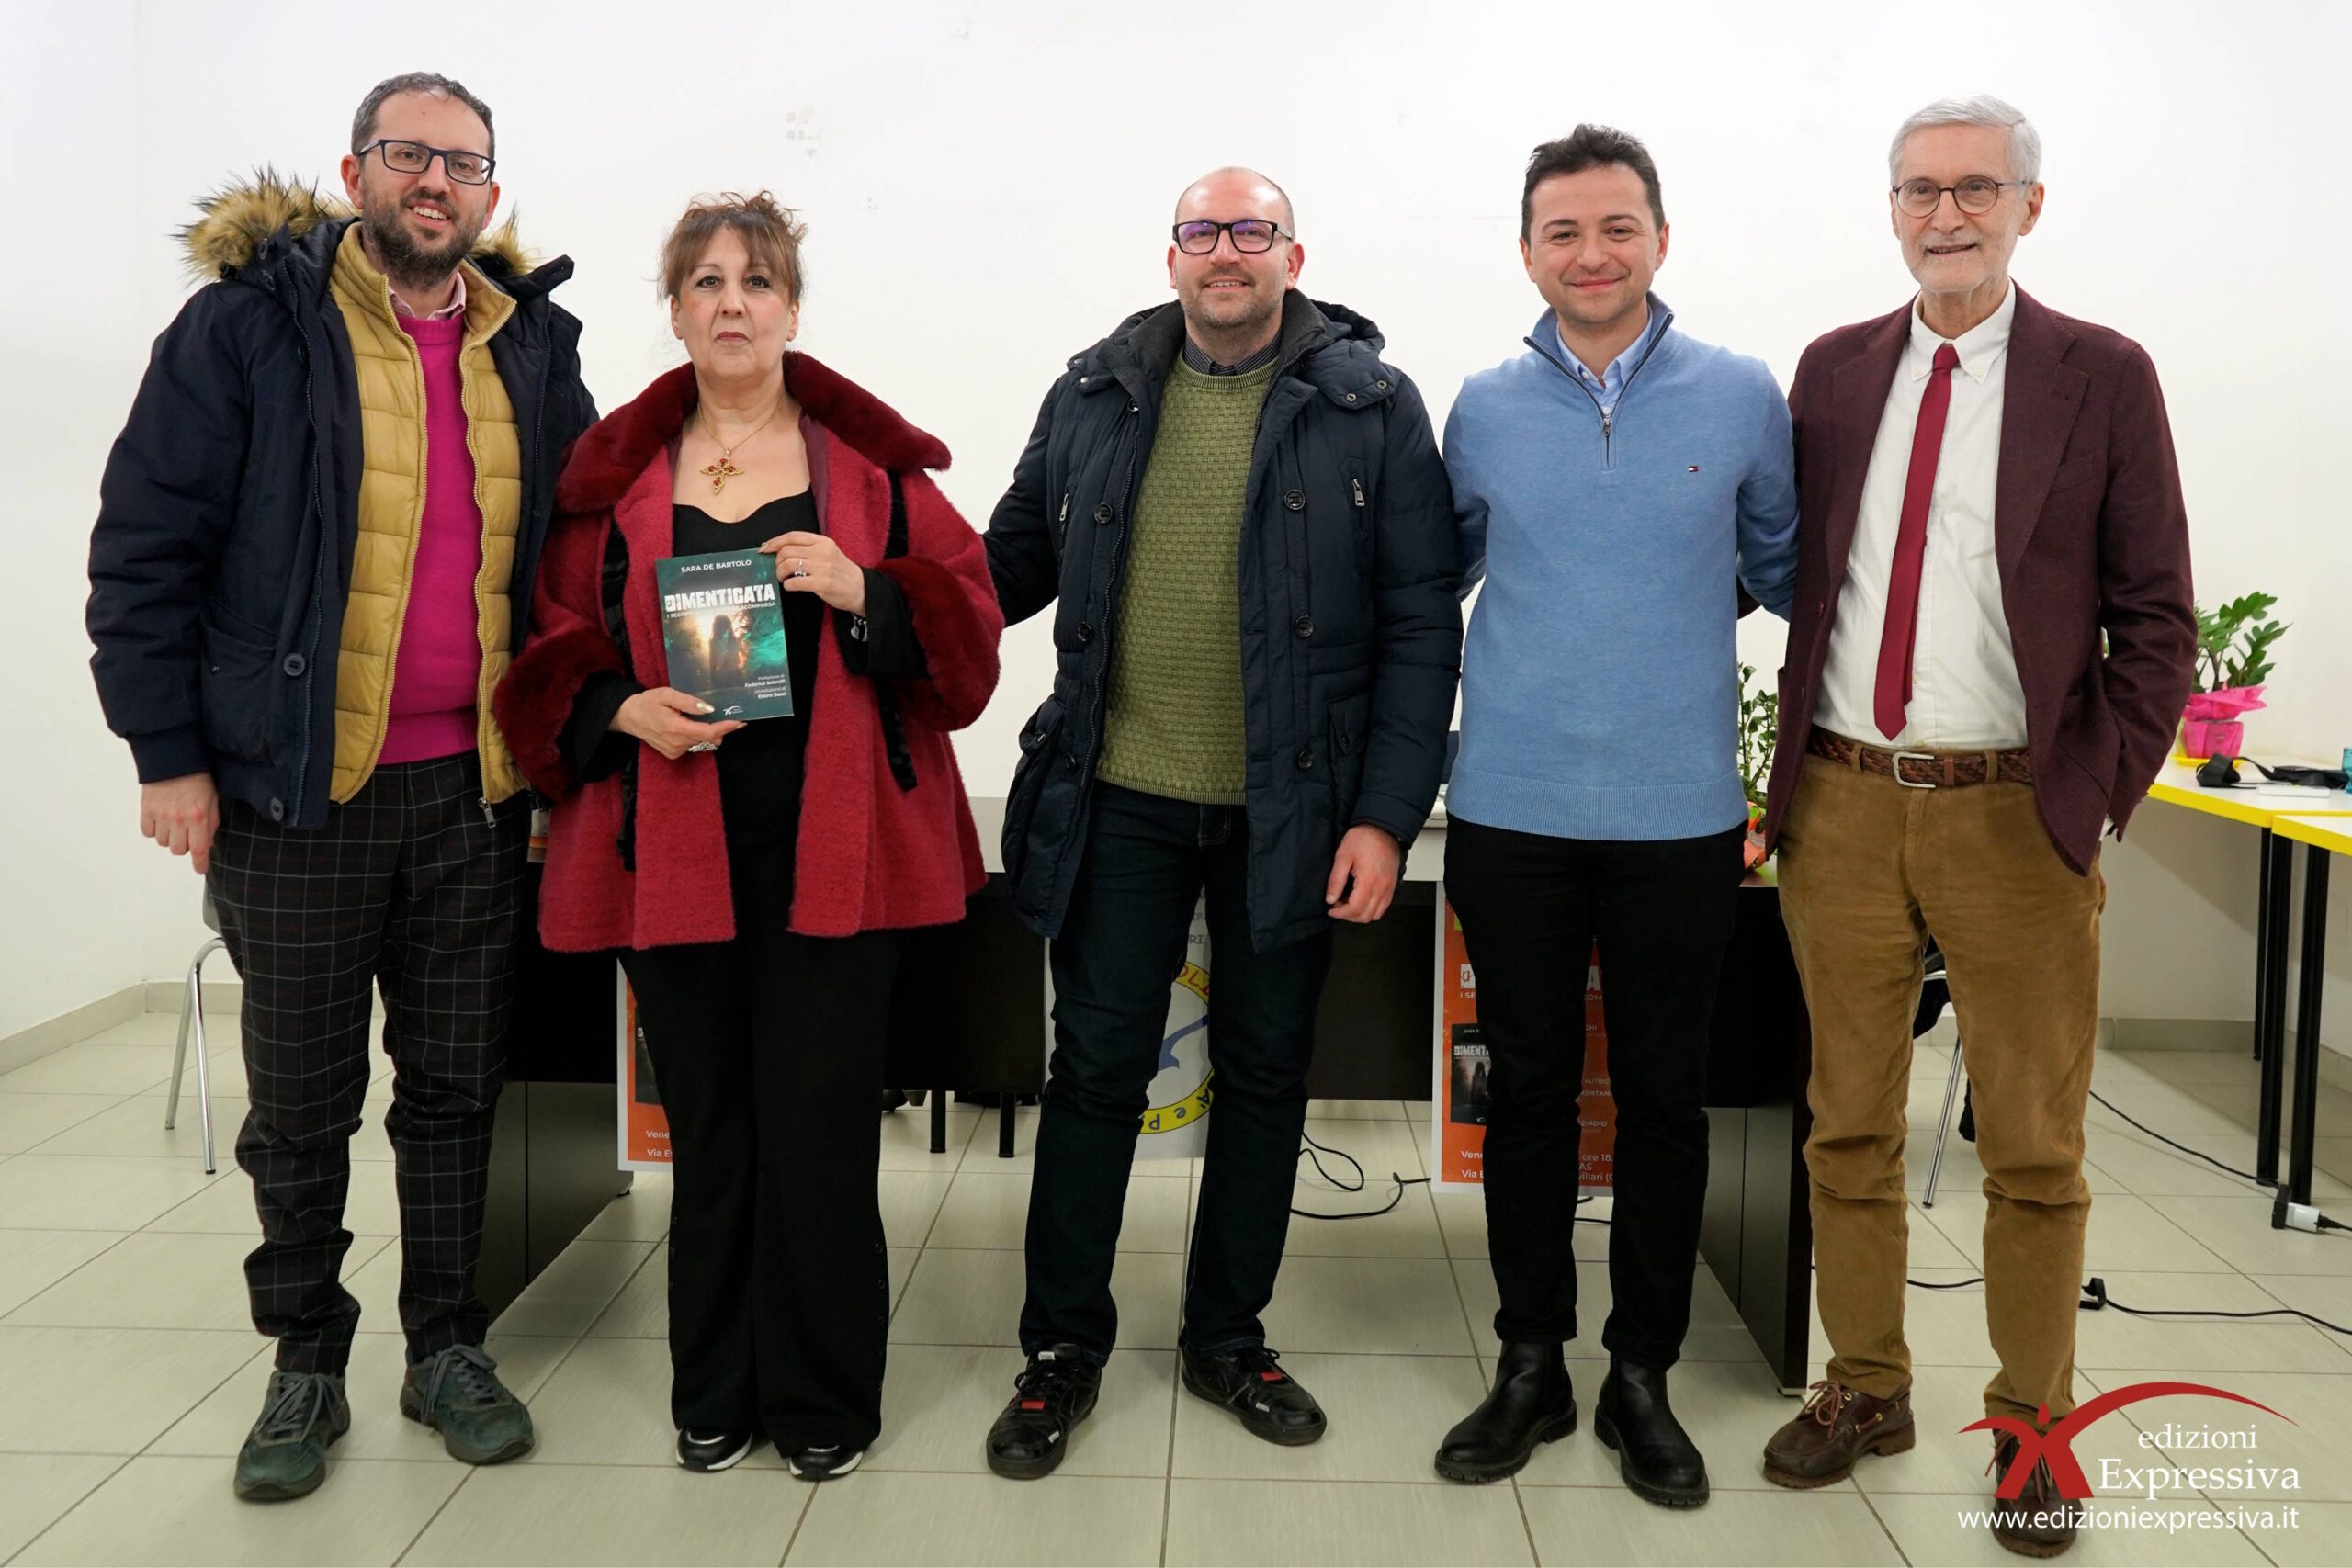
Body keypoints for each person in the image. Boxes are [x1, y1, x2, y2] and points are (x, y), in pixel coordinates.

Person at [86, 72, 596, 1502]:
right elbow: (145, 549)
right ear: (356, 169)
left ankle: (446, 1345)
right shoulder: (249, 327)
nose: (435, 181)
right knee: (302, 1107)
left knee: (454, 1093)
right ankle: (305, 1358)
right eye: (408, 154)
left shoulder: (531, 344)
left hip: (476, 797)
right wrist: (169, 756)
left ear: (490, 191)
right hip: (300, 798)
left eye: (462, 163)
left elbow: (582, 553)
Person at [494, 191, 1002, 1482]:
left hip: (839, 851)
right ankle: (714, 1388)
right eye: (708, 281)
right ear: (673, 309)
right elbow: (549, 645)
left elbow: (970, 635)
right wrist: (621, 709)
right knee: (711, 1130)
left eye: (759, 281)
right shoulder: (610, 479)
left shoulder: (873, 472)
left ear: (792, 309)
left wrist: (864, 588)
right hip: (668, 850)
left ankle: (824, 1396)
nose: (733, 302)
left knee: (820, 1129)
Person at [1754, 96, 2194, 1559]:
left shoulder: (2102, 376)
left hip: (2016, 814)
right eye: (1920, 191)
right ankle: (1866, 1384)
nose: (1946, 214)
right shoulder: (1833, 372)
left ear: (2028, 207)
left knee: (2032, 1148)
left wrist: (2092, 798)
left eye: (1976, 189)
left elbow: (2157, 617)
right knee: (1847, 1126)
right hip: (1840, 803)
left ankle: (2033, 1427)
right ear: (1891, 209)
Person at [978, 166, 1462, 1478]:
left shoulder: (1371, 406)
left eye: (1254, 231)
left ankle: (1227, 1339)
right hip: (1119, 797)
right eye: (1204, 231)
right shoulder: (1094, 390)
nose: (1226, 252)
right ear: (1173, 256)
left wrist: (1386, 818)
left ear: (1294, 256)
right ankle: (1060, 1350)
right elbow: (1007, 562)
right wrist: (880, 590)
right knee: (1095, 1075)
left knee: (1263, 1077)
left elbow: (1422, 623)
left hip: (1292, 809)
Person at [1432, 126, 1799, 1506]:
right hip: (1512, 809)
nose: (1592, 254)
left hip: (1679, 814)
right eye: (1564, 232)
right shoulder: (1480, 407)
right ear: (1528, 252)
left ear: (1661, 237)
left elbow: (1784, 568)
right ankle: (1531, 1360)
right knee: (1526, 1095)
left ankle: (1641, 1372)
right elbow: (1438, 578)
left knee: (1662, 1101)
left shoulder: (1742, 395)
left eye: (1617, 227)